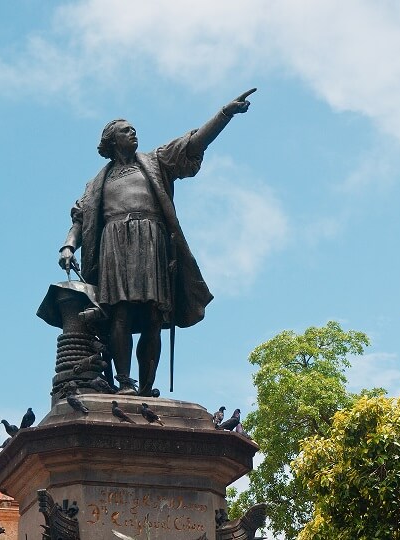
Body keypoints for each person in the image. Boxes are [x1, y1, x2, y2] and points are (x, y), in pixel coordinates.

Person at [59, 89, 255, 396]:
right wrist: (69, 245)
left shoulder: (155, 162)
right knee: (120, 313)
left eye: (133, 129)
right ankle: (124, 382)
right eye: (125, 130)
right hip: (114, 244)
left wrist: (224, 114)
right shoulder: (98, 182)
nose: (133, 132)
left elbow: (191, 143)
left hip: (151, 242)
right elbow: (81, 218)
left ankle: (147, 387)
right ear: (112, 141)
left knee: (153, 315)